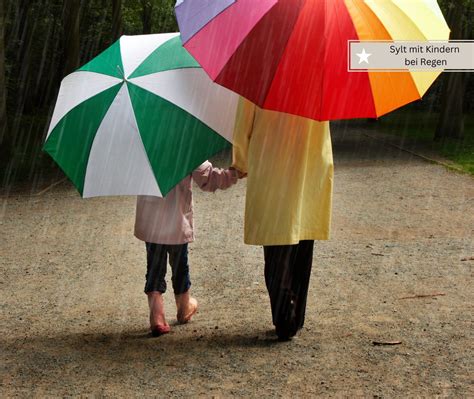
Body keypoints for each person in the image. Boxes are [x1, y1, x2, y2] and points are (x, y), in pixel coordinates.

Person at [232, 99, 334, 341]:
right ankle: (296, 315)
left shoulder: (260, 71)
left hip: (273, 166)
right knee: (302, 245)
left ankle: (284, 316)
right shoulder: (319, 73)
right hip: (310, 165)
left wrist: (241, 161)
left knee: (277, 245)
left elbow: (242, 125)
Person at [135, 161, 240, 336]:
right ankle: (184, 308)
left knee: (154, 268)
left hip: (152, 223)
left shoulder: (143, 149)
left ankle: (157, 317)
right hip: (177, 223)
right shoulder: (184, 145)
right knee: (180, 266)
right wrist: (234, 174)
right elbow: (210, 179)